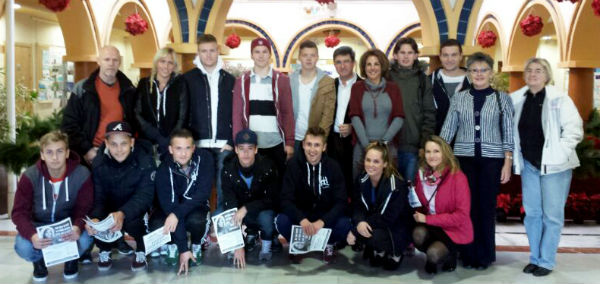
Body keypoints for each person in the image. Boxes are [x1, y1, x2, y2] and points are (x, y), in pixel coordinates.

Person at [440, 52, 514, 270]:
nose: (479, 74)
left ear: (491, 72)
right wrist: (439, 157)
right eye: (474, 70)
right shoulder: (459, 98)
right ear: (469, 73)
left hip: (492, 162)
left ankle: (485, 255)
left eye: (483, 70)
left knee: (486, 208)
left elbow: (508, 132)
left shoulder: (502, 99)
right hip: (464, 161)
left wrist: (508, 162)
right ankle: (468, 252)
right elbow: (448, 130)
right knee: (466, 208)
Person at [511, 58, 583, 277]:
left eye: (539, 70)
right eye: (529, 70)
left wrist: (558, 154)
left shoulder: (560, 99)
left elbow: (574, 130)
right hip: (529, 166)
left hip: (556, 167)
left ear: (547, 75)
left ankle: (547, 261)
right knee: (532, 214)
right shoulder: (515, 99)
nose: (533, 74)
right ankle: (535, 258)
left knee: (552, 215)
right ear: (524, 74)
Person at [12, 131, 94, 282]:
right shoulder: (29, 176)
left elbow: (85, 208)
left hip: (69, 226)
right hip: (39, 226)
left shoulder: (82, 174)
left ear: (67, 153)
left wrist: (78, 226)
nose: (55, 157)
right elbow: (19, 212)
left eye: (60, 151)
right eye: (49, 152)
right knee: (23, 246)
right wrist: (32, 235)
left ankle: (71, 260)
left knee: (85, 238)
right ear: (42, 155)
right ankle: (39, 262)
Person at [85, 121, 156, 272]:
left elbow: (145, 196)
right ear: (106, 143)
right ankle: (105, 249)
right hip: (111, 208)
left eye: (123, 144)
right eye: (114, 144)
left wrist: (123, 213)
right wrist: (96, 218)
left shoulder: (145, 160)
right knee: (97, 221)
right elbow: (98, 197)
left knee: (136, 222)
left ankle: (141, 249)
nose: (118, 150)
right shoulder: (99, 163)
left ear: (132, 142)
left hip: (134, 208)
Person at [276, 126, 351, 264]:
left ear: (324, 147)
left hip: (324, 219)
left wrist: (323, 221)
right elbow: (285, 200)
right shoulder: (293, 166)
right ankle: (298, 245)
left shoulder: (334, 167)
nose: (312, 150)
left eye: (317, 145)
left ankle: (329, 243)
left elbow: (341, 202)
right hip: (302, 219)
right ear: (303, 145)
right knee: (281, 220)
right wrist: (302, 220)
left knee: (345, 223)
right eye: (309, 144)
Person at [182, 33, 236, 213]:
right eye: (204, 51)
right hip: (198, 144)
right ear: (198, 52)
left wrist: (230, 140)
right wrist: (189, 142)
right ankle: (201, 225)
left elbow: (235, 113)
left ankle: (219, 225)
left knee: (223, 187)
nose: (208, 55)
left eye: (212, 50)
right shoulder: (188, 79)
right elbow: (184, 112)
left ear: (218, 51)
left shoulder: (229, 79)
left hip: (223, 144)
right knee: (199, 187)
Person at [149, 128, 214, 275]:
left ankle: (197, 245)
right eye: (178, 148)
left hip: (196, 204)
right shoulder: (163, 170)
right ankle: (173, 245)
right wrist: (183, 248)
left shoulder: (205, 159)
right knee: (157, 223)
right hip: (171, 206)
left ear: (193, 148)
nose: (183, 153)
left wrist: (177, 214)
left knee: (197, 220)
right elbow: (169, 206)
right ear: (171, 149)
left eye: (187, 148)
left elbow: (202, 194)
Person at [62, 45, 138, 167]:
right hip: (91, 154)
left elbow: (135, 124)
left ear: (119, 62)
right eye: (107, 59)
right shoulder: (82, 89)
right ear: (99, 61)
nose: (111, 64)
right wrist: (87, 150)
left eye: (115, 60)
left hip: (119, 154)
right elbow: (69, 125)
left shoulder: (129, 90)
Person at [232, 37, 295, 177]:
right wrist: (239, 143)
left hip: (276, 143)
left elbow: (287, 113)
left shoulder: (282, 80)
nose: (261, 55)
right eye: (257, 51)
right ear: (251, 55)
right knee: (255, 186)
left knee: (278, 185)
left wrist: (289, 142)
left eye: (264, 51)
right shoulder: (242, 81)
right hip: (252, 145)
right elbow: (236, 115)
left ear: (270, 54)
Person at [346, 141, 413, 271]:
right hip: (376, 223)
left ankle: (396, 253)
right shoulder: (361, 179)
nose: (370, 165)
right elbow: (357, 206)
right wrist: (359, 222)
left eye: (376, 161)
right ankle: (380, 251)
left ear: (385, 164)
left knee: (368, 236)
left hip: (395, 228)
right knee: (350, 227)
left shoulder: (396, 185)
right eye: (368, 160)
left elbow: (387, 218)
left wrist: (356, 230)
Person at [412, 135, 473, 274]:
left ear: (445, 153)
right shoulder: (422, 175)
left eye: (436, 151)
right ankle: (434, 252)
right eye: (428, 151)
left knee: (434, 253)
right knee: (417, 234)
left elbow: (461, 216)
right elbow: (420, 205)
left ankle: (447, 254)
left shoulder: (457, 177)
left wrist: (427, 219)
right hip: (432, 226)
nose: (431, 156)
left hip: (452, 229)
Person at [222, 129, 279, 267]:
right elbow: (229, 200)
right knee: (221, 214)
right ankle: (238, 242)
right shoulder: (228, 168)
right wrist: (237, 243)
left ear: (256, 149)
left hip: (261, 209)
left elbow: (271, 199)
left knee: (267, 218)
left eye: (250, 148)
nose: (245, 153)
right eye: (241, 148)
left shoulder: (268, 166)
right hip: (239, 208)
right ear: (235, 149)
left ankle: (267, 244)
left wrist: (247, 208)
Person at [348, 49, 405, 177]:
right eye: (369, 64)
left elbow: (399, 117)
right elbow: (355, 116)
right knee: (360, 185)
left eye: (376, 64)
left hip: (388, 147)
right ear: (364, 67)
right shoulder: (357, 87)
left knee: (388, 184)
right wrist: (367, 145)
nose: (372, 68)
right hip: (362, 147)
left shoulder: (393, 88)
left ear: (382, 66)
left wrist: (383, 143)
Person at [389, 37, 436, 182]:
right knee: (390, 190)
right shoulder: (386, 78)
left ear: (416, 55)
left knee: (411, 191)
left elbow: (429, 113)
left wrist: (424, 143)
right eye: (402, 52)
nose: (406, 56)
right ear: (395, 55)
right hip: (389, 145)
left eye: (410, 52)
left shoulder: (423, 80)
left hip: (413, 147)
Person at [135, 47, 187, 161]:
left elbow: (183, 115)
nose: (166, 66)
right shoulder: (144, 84)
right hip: (146, 141)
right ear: (156, 62)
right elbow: (137, 112)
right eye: (162, 61)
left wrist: (171, 138)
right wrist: (153, 134)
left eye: (170, 63)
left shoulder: (180, 85)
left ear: (174, 66)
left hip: (172, 142)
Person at [290, 40, 335, 153]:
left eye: (312, 55)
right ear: (299, 57)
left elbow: (328, 116)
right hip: (293, 139)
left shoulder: (327, 82)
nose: (309, 59)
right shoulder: (289, 80)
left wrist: (319, 139)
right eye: (305, 55)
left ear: (317, 57)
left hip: (315, 141)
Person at [327, 46, 361, 198]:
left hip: (355, 141)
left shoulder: (363, 86)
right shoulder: (330, 85)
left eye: (346, 61)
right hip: (333, 141)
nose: (342, 66)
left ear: (353, 63)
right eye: (338, 62)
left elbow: (369, 116)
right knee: (334, 181)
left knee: (354, 180)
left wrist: (353, 128)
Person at [429, 39, 471, 135]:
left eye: (454, 55)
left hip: (467, 143)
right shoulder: (428, 82)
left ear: (461, 56)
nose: (449, 59)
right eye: (445, 55)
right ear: (440, 57)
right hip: (439, 142)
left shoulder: (475, 81)